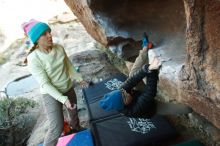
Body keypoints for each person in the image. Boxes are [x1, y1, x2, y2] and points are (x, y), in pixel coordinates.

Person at [22, 19, 87, 146]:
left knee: (73, 112)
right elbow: (45, 84)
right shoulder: (33, 58)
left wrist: (79, 78)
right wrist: (63, 99)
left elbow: (69, 66)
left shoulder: (59, 48)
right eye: (44, 34)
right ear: (37, 40)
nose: (49, 35)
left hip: (67, 87)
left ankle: (76, 129)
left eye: (49, 32)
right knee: (56, 127)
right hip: (50, 93)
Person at [99, 34, 192, 118]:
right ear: (123, 104)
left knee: (133, 74)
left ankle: (145, 48)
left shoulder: (122, 91)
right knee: (186, 109)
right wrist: (152, 70)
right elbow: (150, 92)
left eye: (123, 92)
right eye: (124, 96)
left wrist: (146, 69)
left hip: (139, 93)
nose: (126, 93)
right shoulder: (133, 111)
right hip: (151, 107)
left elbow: (132, 80)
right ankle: (185, 110)